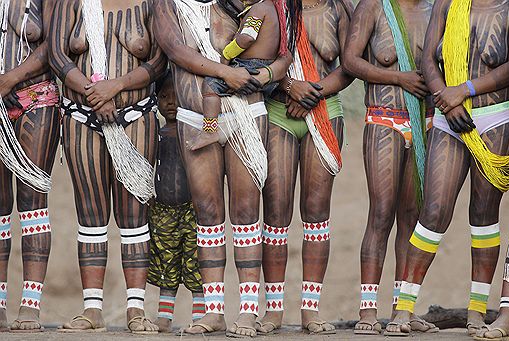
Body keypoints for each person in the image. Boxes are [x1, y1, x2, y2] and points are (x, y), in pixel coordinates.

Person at [152, 0, 296, 336]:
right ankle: (214, 311)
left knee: (246, 210)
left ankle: (248, 311)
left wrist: (266, 74)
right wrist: (224, 72)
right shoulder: (169, 4)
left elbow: (284, 53)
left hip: (246, 111)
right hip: (194, 114)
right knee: (208, 213)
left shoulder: (247, 4)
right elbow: (174, 48)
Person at [387, 0, 509, 337]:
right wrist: (444, 95)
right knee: (434, 210)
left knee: (484, 214)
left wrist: (465, 91)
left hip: (495, 115)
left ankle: (475, 312)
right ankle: (404, 309)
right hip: (448, 118)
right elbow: (428, 58)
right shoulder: (448, 3)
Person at [49, 0, 167, 333]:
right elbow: (58, 56)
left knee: (134, 217)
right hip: (81, 116)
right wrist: (93, 92)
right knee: (90, 216)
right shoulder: (73, 2)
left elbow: (159, 61)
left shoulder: (150, 3)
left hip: (136, 115)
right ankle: (92, 310)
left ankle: (135, 309)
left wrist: (115, 86)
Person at [257, 0, 353, 335]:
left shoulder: (338, 8)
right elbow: (255, 60)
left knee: (316, 212)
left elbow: (350, 65)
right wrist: (288, 87)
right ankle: (274, 310)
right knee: (276, 212)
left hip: (326, 111)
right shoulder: (272, 7)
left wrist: (312, 93)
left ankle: (311, 311)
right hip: (278, 112)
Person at [342, 0, 438, 335]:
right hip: (384, 119)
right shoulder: (373, 7)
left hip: (425, 123)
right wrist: (399, 78)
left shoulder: (436, 9)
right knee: (381, 214)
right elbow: (351, 60)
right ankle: (367, 311)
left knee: (412, 217)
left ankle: (404, 309)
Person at [0, 0, 59, 332]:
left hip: (35, 97)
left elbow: (56, 42)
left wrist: (11, 79)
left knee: (32, 203)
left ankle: (30, 305)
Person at [147, 70, 205, 333]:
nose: (170, 102)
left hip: (192, 210)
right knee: (165, 265)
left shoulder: (193, 133)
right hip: (162, 211)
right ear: (155, 99)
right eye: (164, 96)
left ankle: (200, 316)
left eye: (176, 96)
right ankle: (164, 318)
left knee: (196, 265)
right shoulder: (154, 134)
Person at [191, 0, 284, 151]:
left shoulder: (259, 9)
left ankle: (209, 130)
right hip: (265, 68)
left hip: (251, 66)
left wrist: (227, 54)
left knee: (209, 86)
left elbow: (247, 37)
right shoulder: (273, 10)